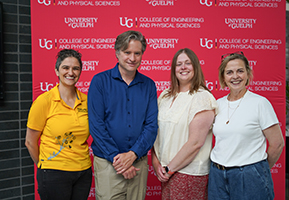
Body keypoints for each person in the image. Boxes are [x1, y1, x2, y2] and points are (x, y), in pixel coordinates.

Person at [88, 30, 158, 200]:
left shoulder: (149, 85)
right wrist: (118, 160)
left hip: (138, 163)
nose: (132, 58)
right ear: (117, 53)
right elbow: (96, 125)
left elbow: (151, 126)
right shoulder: (100, 81)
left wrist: (133, 154)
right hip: (107, 163)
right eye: (127, 52)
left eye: (137, 53)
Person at [208, 51, 285, 200]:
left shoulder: (260, 103)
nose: (235, 76)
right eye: (229, 72)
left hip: (250, 176)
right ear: (223, 77)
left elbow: (277, 144)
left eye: (240, 71)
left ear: (248, 74)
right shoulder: (218, 105)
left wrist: (257, 171)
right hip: (217, 176)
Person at [25, 49, 92, 200]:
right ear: (57, 70)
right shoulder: (44, 101)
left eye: (76, 68)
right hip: (54, 173)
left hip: (83, 172)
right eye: (65, 67)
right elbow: (30, 142)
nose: (71, 72)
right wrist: (45, 166)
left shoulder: (87, 101)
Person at [151, 48, 218, 200]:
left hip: (189, 174)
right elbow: (156, 133)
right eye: (179, 64)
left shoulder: (202, 97)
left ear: (195, 67)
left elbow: (196, 142)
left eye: (188, 63)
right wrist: (156, 163)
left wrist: (170, 169)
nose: (183, 67)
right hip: (165, 171)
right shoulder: (165, 96)